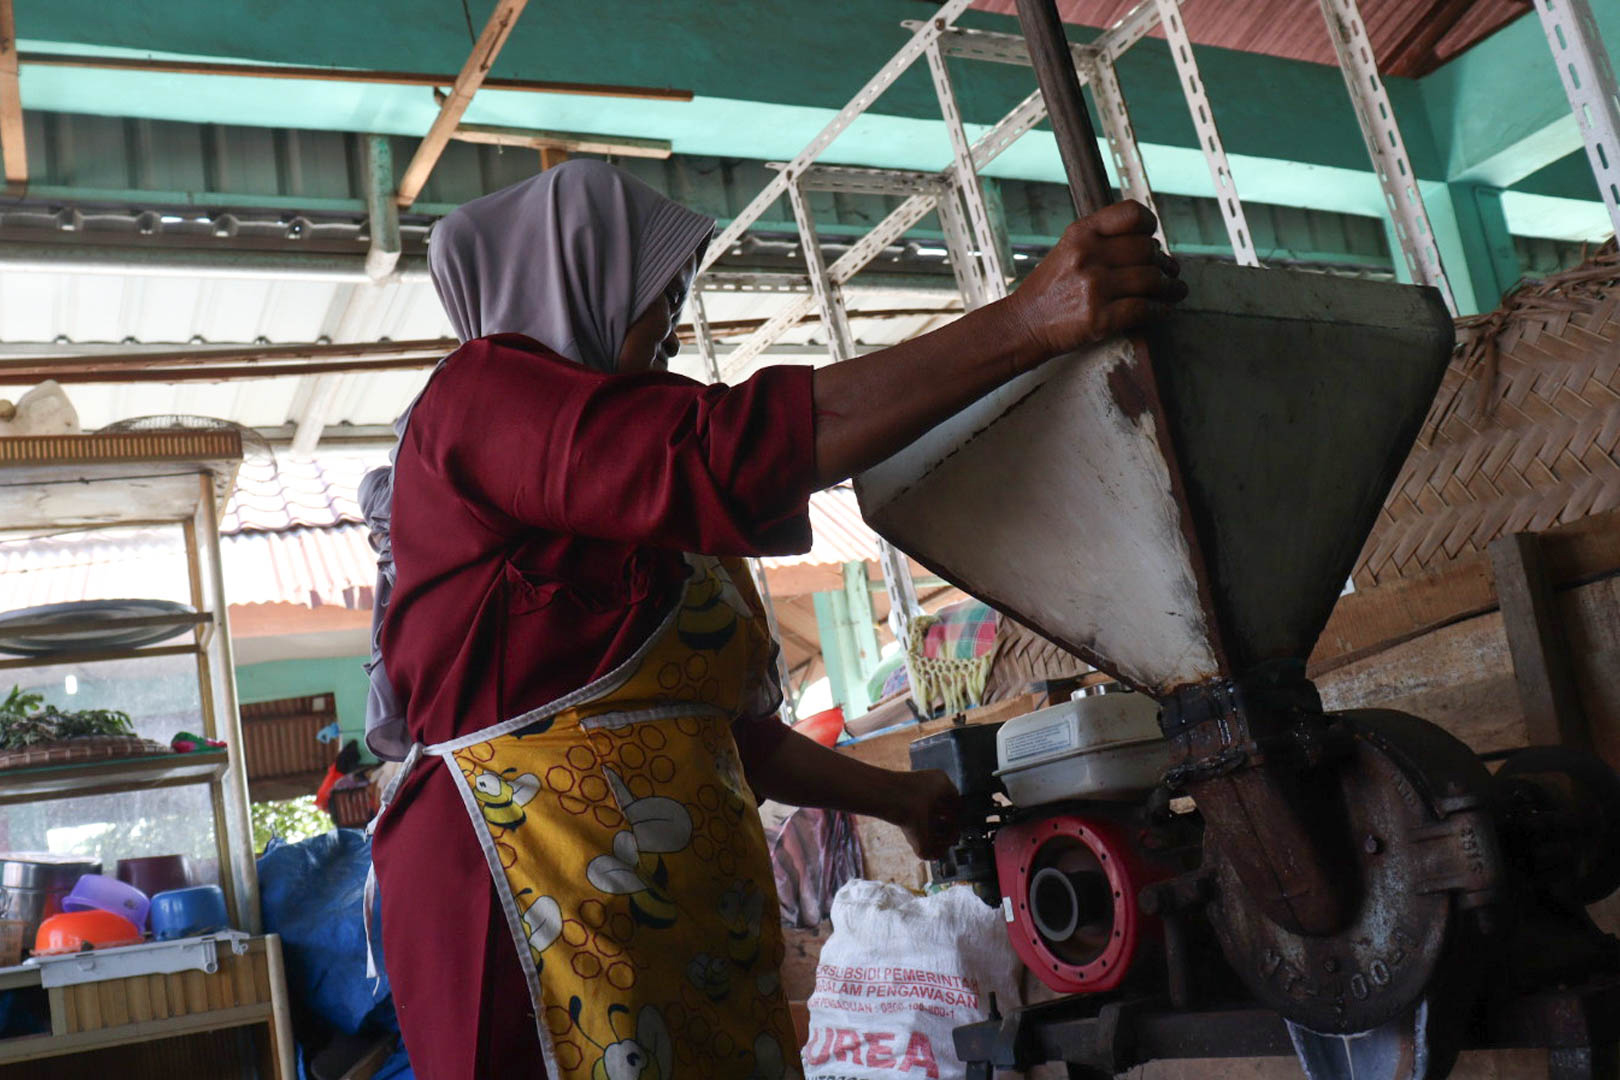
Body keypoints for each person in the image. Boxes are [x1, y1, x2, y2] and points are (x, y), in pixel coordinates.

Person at [362, 159, 1185, 1080]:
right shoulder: (478, 403)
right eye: (658, 296)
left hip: (671, 916)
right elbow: (732, 450)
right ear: (573, 279)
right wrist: (1026, 322)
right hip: (521, 894)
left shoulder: (637, 497)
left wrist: (898, 799)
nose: (672, 328)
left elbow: (729, 736)